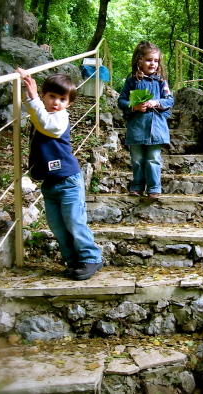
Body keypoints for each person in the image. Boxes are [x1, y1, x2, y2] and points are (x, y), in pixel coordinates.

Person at [15, 68, 103, 280]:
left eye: (62, 99)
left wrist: (33, 97)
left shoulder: (60, 118)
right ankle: (73, 260)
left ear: (68, 104)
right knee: (56, 224)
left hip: (68, 180)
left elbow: (46, 125)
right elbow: (38, 116)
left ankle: (91, 257)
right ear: (44, 96)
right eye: (51, 96)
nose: (56, 102)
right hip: (50, 184)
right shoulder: (42, 114)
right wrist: (27, 90)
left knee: (74, 221)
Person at [118, 41, 174, 198]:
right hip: (136, 127)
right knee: (137, 159)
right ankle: (137, 186)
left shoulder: (161, 82)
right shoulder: (132, 81)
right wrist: (134, 107)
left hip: (156, 128)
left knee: (154, 158)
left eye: (156, 61)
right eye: (149, 60)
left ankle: (154, 187)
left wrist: (157, 102)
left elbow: (169, 100)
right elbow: (121, 101)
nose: (153, 64)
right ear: (139, 60)